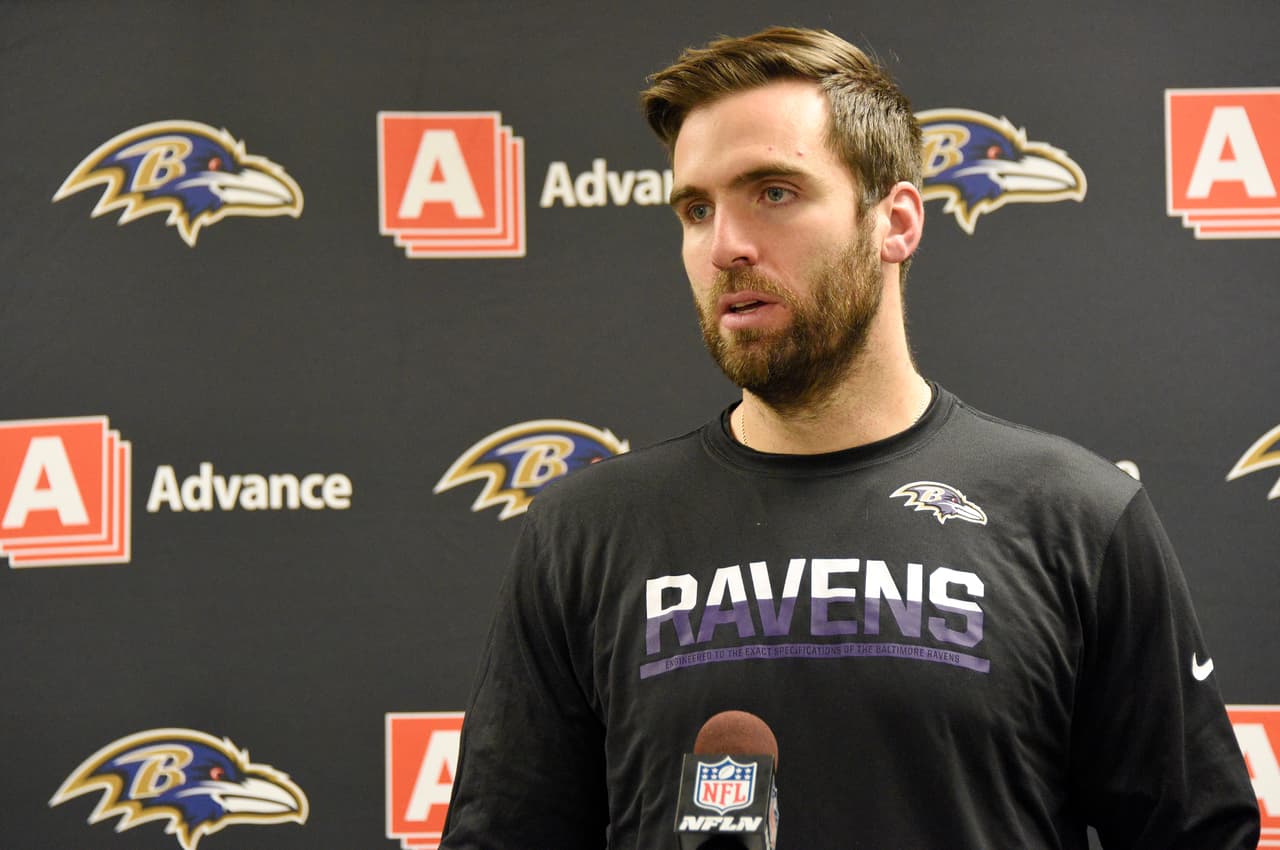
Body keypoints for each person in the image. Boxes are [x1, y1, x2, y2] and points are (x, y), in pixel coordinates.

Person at [440, 26, 1260, 849]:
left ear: (895, 222)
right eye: (697, 209)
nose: (725, 247)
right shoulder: (584, 534)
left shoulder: (1078, 518)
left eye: (773, 192)